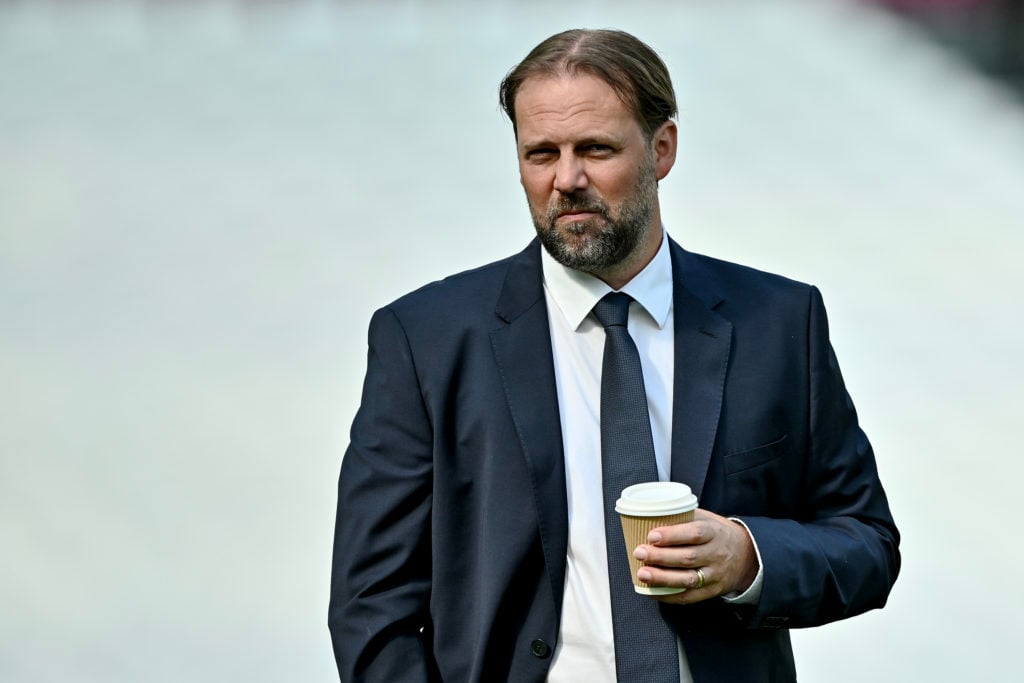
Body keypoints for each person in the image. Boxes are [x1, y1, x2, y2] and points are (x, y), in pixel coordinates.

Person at [329, 28, 900, 683]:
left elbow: (866, 543)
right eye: (541, 153)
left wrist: (748, 555)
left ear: (663, 149)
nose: (566, 179)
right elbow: (371, 604)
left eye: (595, 149)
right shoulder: (425, 337)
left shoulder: (777, 321)